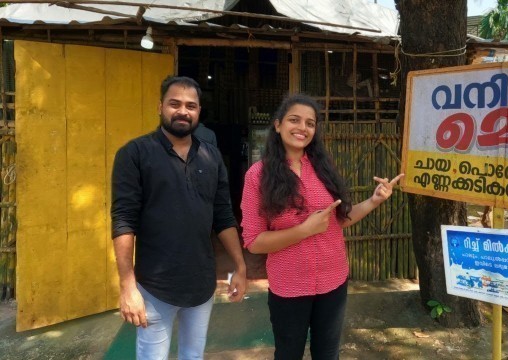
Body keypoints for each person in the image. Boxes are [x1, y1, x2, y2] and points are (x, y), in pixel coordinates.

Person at [240, 94, 403, 359]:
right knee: (288, 353)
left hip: (333, 281)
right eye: (294, 120)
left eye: (310, 123)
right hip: (289, 285)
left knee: (327, 353)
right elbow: (254, 241)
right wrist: (304, 230)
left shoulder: (323, 169)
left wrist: (374, 200)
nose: (302, 128)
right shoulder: (257, 175)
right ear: (278, 125)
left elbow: (340, 219)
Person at [111, 76, 247, 360]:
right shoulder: (134, 154)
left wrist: (240, 265)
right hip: (155, 286)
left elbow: (223, 216)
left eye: (191, 106)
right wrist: (127, 285)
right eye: (175, 104)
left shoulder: (211, 157)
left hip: (201, 285)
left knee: (193, 356)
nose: (183, 111)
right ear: (160, 107)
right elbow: (124, 220)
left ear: (198, 112)